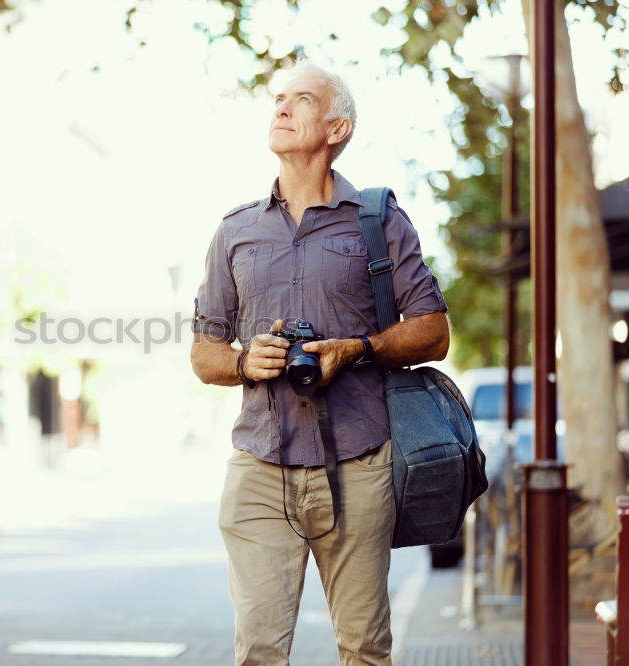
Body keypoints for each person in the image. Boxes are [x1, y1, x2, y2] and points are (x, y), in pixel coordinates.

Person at [189, 61, 450, 666]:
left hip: (360, 461)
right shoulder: (235, 231)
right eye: (277, 98)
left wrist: (355, 349)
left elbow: (434, 332)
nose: (280, 108)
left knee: (363, 648)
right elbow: (204, 355)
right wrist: (246, 361)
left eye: (300, 99)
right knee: (258, 649)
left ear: (336, 128)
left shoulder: (379, 220)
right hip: (259, 464)